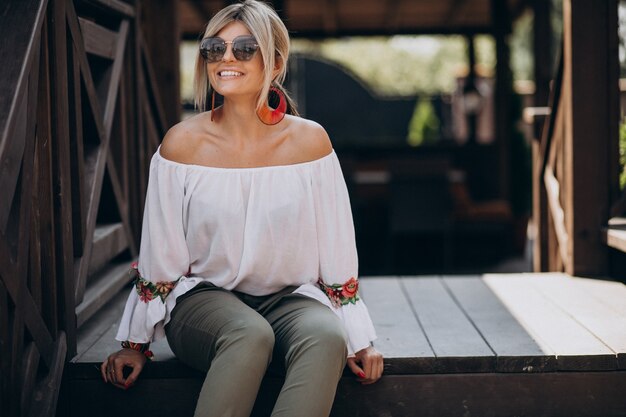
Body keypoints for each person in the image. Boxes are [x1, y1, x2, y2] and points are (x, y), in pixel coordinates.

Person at [100, 1, 383, 416]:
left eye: (244, 48)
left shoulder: (311, 144)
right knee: (249, 333)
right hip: (203, 301)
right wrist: (135, 345)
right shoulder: (181, 145)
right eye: (215, 49)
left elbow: (336, 247)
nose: (226, 59)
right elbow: (161, 251)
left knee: (326, 336)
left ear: (275, 61)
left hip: (289, 300)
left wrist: (359, 338)